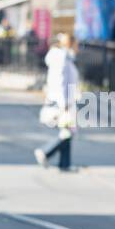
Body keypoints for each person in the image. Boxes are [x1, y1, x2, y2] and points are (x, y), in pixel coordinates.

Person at [34, 33, 80, 172]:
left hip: (64, 100)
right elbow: (61, 82)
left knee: (67, 130)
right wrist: (64, 103)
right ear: (70, 44)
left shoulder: (63, 58)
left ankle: (64, 164)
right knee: (68, 131)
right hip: (64, 102)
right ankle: (46, 152)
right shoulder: (63, 59)